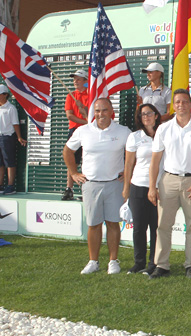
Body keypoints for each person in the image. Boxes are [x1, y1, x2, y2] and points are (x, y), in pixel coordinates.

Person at [63, 98, 131, 275]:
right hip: (90, 184)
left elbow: (135, 152)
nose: (101, 114)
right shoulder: (83, 130)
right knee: (93, 224)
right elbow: (68, 151)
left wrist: (127, 171)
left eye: (104, 110)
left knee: (113, 223)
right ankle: (93, 261)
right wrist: (74, 173)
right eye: (98, 111)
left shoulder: (123, 131)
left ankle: (113, 261)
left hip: (114, 184)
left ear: (111, 111)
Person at [148, 88, 191, 279]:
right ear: (174, 105)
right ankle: (162, 264)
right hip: (169, 181)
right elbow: (155, 160)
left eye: (184, 101)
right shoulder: (164, 128)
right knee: (163, 225)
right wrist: (152, 186)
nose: (180, 105)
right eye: (177, 102)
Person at [122, 104, 163, 275]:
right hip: (138, 186)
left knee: (156, 227)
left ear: (156, 115)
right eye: (142, 114)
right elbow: (129, 164)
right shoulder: (134, 137)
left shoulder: (163, 133)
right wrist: (126, 187)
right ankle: (139, 262)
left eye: (149, 113)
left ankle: (154, 263)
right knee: (139, 227)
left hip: (160, 187)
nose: (146, 116)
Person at [62, 69, 89, 201]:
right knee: (72, 160)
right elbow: (69, 116)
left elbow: (92, 116)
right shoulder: (71, 95)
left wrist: (84, 110)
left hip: (89, 131)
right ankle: (69, 188)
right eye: (74, 79)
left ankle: (86, 190)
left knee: (87, 160)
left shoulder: (91, 95)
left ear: (85, 81)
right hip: (75, 131)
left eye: (78, 79)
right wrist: (86, 121)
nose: (75, 81)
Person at [0, 84, 27, 195]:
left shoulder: (11, 108)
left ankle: (10, 186)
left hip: (8, 137)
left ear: (5, 95)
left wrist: (19, 137)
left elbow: (15, 124)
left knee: (9, 161)